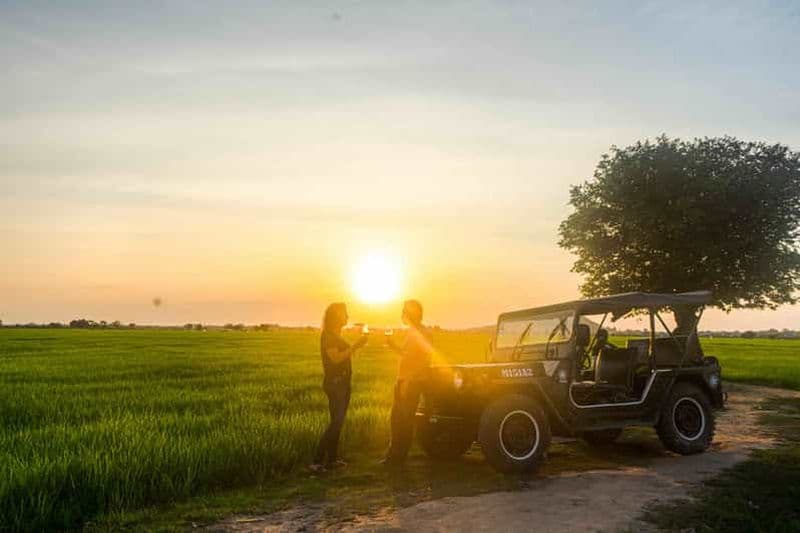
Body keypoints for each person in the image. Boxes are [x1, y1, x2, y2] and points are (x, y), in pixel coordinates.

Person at [310, 302, 367, 472]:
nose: (347, 316)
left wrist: (354, 346)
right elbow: (335, 358)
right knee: (336, 422)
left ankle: (332, 460)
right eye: (344, 313)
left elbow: (343, 356)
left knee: (338, 422)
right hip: (336, 384)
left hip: (342, 383)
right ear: (336, 316)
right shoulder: (328, 336)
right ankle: (317, 462)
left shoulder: (335, 334)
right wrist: (356, 346)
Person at [382, 299, 433, 468]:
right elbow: (407, 354)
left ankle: (397, 458)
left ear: (410, 314)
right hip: (404, 381)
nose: (402, 313)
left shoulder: (421, 333)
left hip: (410, 383)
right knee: (397, 420)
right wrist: (392, 345)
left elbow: (423, 361)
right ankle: (395, 455)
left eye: (404, 310)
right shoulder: (413, 332)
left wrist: (408, 382)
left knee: (402, 421)